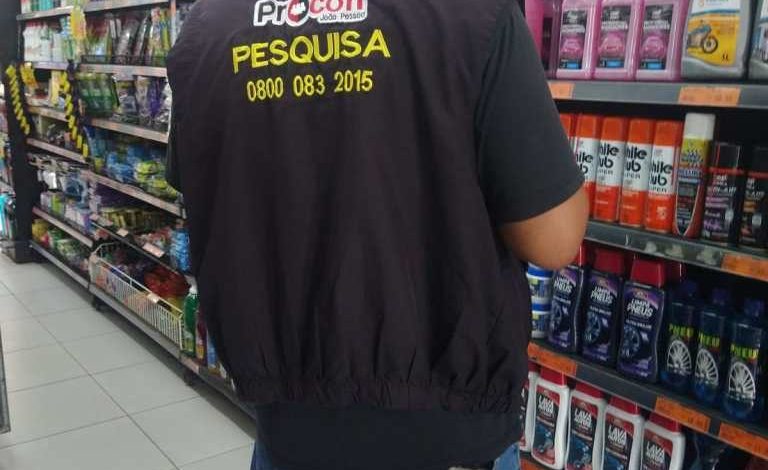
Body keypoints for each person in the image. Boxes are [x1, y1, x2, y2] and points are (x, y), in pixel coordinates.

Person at [166, 0, 588, 468]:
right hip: (450, 432)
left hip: (290, 428)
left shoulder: (210, 23)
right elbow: (554, 240)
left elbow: (200, 187)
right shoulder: (475, 13)